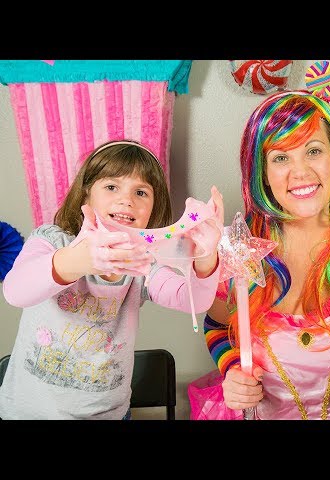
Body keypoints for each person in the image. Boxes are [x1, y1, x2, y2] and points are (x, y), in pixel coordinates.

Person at [188, 90, 330, 420]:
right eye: (281, 157)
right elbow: (216, 325)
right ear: (262, 173)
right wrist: (231, 371)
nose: (299, 173)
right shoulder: (238, 248)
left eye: (313, 151)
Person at [0, 140, 224, 420]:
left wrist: (205, 257)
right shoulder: (52, 240)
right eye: (111, 187)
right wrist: (80, 260)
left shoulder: (144, 261)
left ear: (153, 210)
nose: (126, 200)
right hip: (27, 414)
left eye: (141, 192)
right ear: (86, 196)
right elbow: (15, 291)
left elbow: (193, 299)